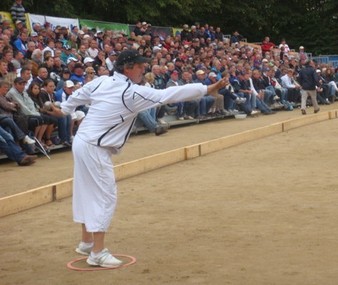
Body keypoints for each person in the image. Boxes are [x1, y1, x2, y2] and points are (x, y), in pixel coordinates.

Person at [48, 49, 226, 268]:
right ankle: (97, 253)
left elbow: (78, 96)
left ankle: (87, 242)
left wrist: (64, 109)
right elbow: (167, 95)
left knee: (87, 191)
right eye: (140, 66)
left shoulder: (102, 81)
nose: (144, 69)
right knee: (105, 196)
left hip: (83, 142)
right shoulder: (131, 92)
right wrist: (207, 88)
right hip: (94, 146)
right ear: (127, 68)